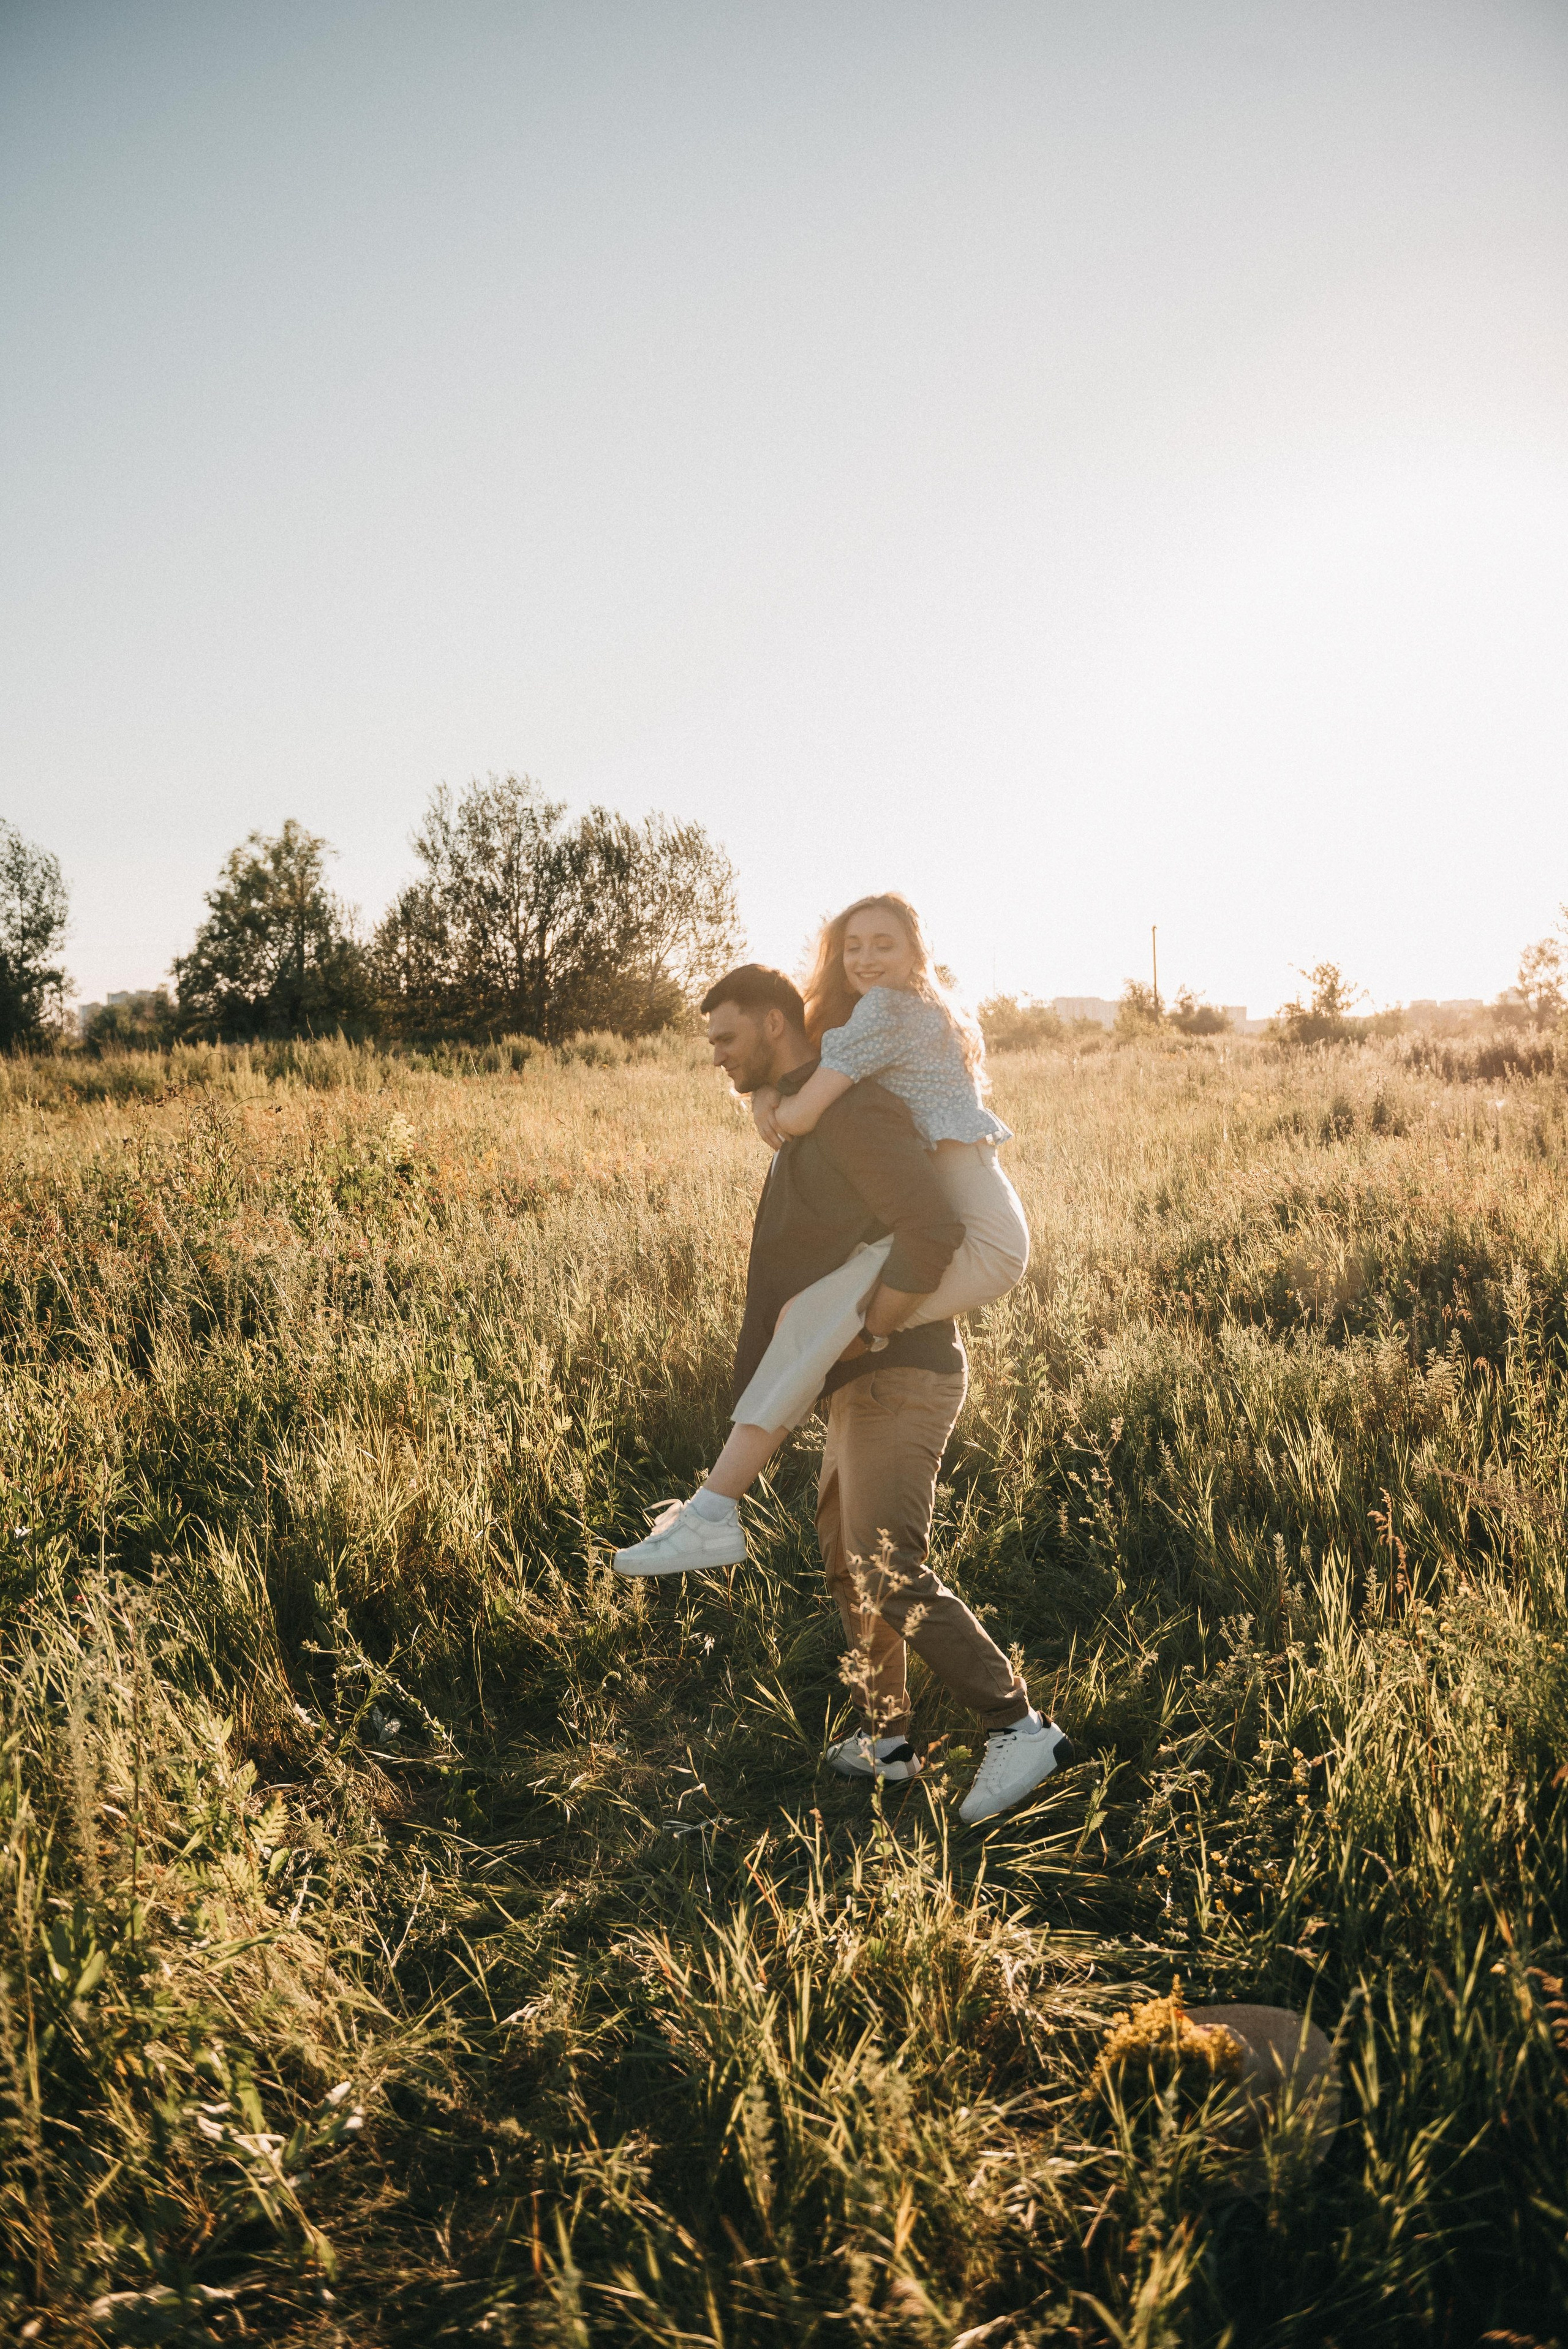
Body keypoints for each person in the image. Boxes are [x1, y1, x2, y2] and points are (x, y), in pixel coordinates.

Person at [613, 959, 1072, 1824]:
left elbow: (932, 1228)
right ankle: (888, 1738)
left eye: (726, 1036)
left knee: (886, 1561)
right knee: (845, 1558)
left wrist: (871, 1330)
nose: (715, 1055)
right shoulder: (808, 1111)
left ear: (775, 1023)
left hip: (901, 1373)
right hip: (858, 1380)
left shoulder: (853, 1109)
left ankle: (1019, 1726)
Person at [619, 893, 1030, 1564]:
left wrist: (775, 1104)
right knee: (804, 1325)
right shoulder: (876, 1016)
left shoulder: (892, 1011)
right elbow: (785, 1040)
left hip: (987, 1240)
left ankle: (713, 1512)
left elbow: (806, 1098)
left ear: (916, 954)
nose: (866, 958)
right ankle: (712, 1509)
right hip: (975, 1225)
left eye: (884, 945)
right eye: (853, 946)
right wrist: (762, 1089)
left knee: (808, 1327)